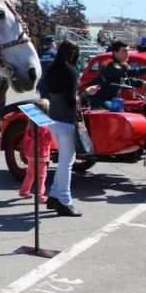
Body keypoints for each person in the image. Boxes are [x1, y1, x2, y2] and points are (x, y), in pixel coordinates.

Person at [45, 40, 99, 217]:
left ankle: (54, 196)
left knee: (64, 160)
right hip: (66, 120)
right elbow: (71, 100)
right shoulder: (71, 71)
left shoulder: (52, 69)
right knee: (67, 162)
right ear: (73, 55)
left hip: (53, 118)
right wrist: (87, 93)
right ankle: (64, 201)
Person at [88, 40, 146, 110]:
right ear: (115, 52)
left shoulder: (124, 64)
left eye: (128, 50)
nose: (127, 53)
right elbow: (123, 73)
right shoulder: (109, 63)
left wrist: (142, 83)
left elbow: (128, 79)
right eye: (124, 51)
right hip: (100, 99)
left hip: (112, 99)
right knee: (116, 112)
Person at [18, 99, 52, 203]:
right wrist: (51, 133)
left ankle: (24, 190)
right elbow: (46, 140)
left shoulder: (30, 124)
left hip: (30, 153)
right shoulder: (44, 126)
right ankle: (39, 196)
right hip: (40, 154)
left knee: (30, 174)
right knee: (41, 176)